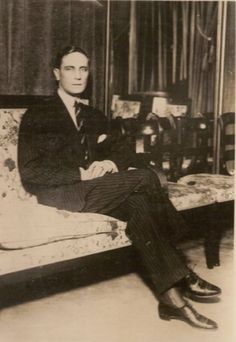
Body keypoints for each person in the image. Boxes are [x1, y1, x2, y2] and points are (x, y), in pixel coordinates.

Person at [18, 46, 221, 330]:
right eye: (70, 68)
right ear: (56, 73)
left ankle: (172, 301)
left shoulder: (93, 114)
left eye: (83, 69)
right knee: (146, 178)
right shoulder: (38, 114)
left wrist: (110, 163)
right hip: (61, 193)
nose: (78, 76)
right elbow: (31, 171)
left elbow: (123, 150)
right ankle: (183, 269)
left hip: (95, 189)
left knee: (140, 207)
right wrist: (79, 172)